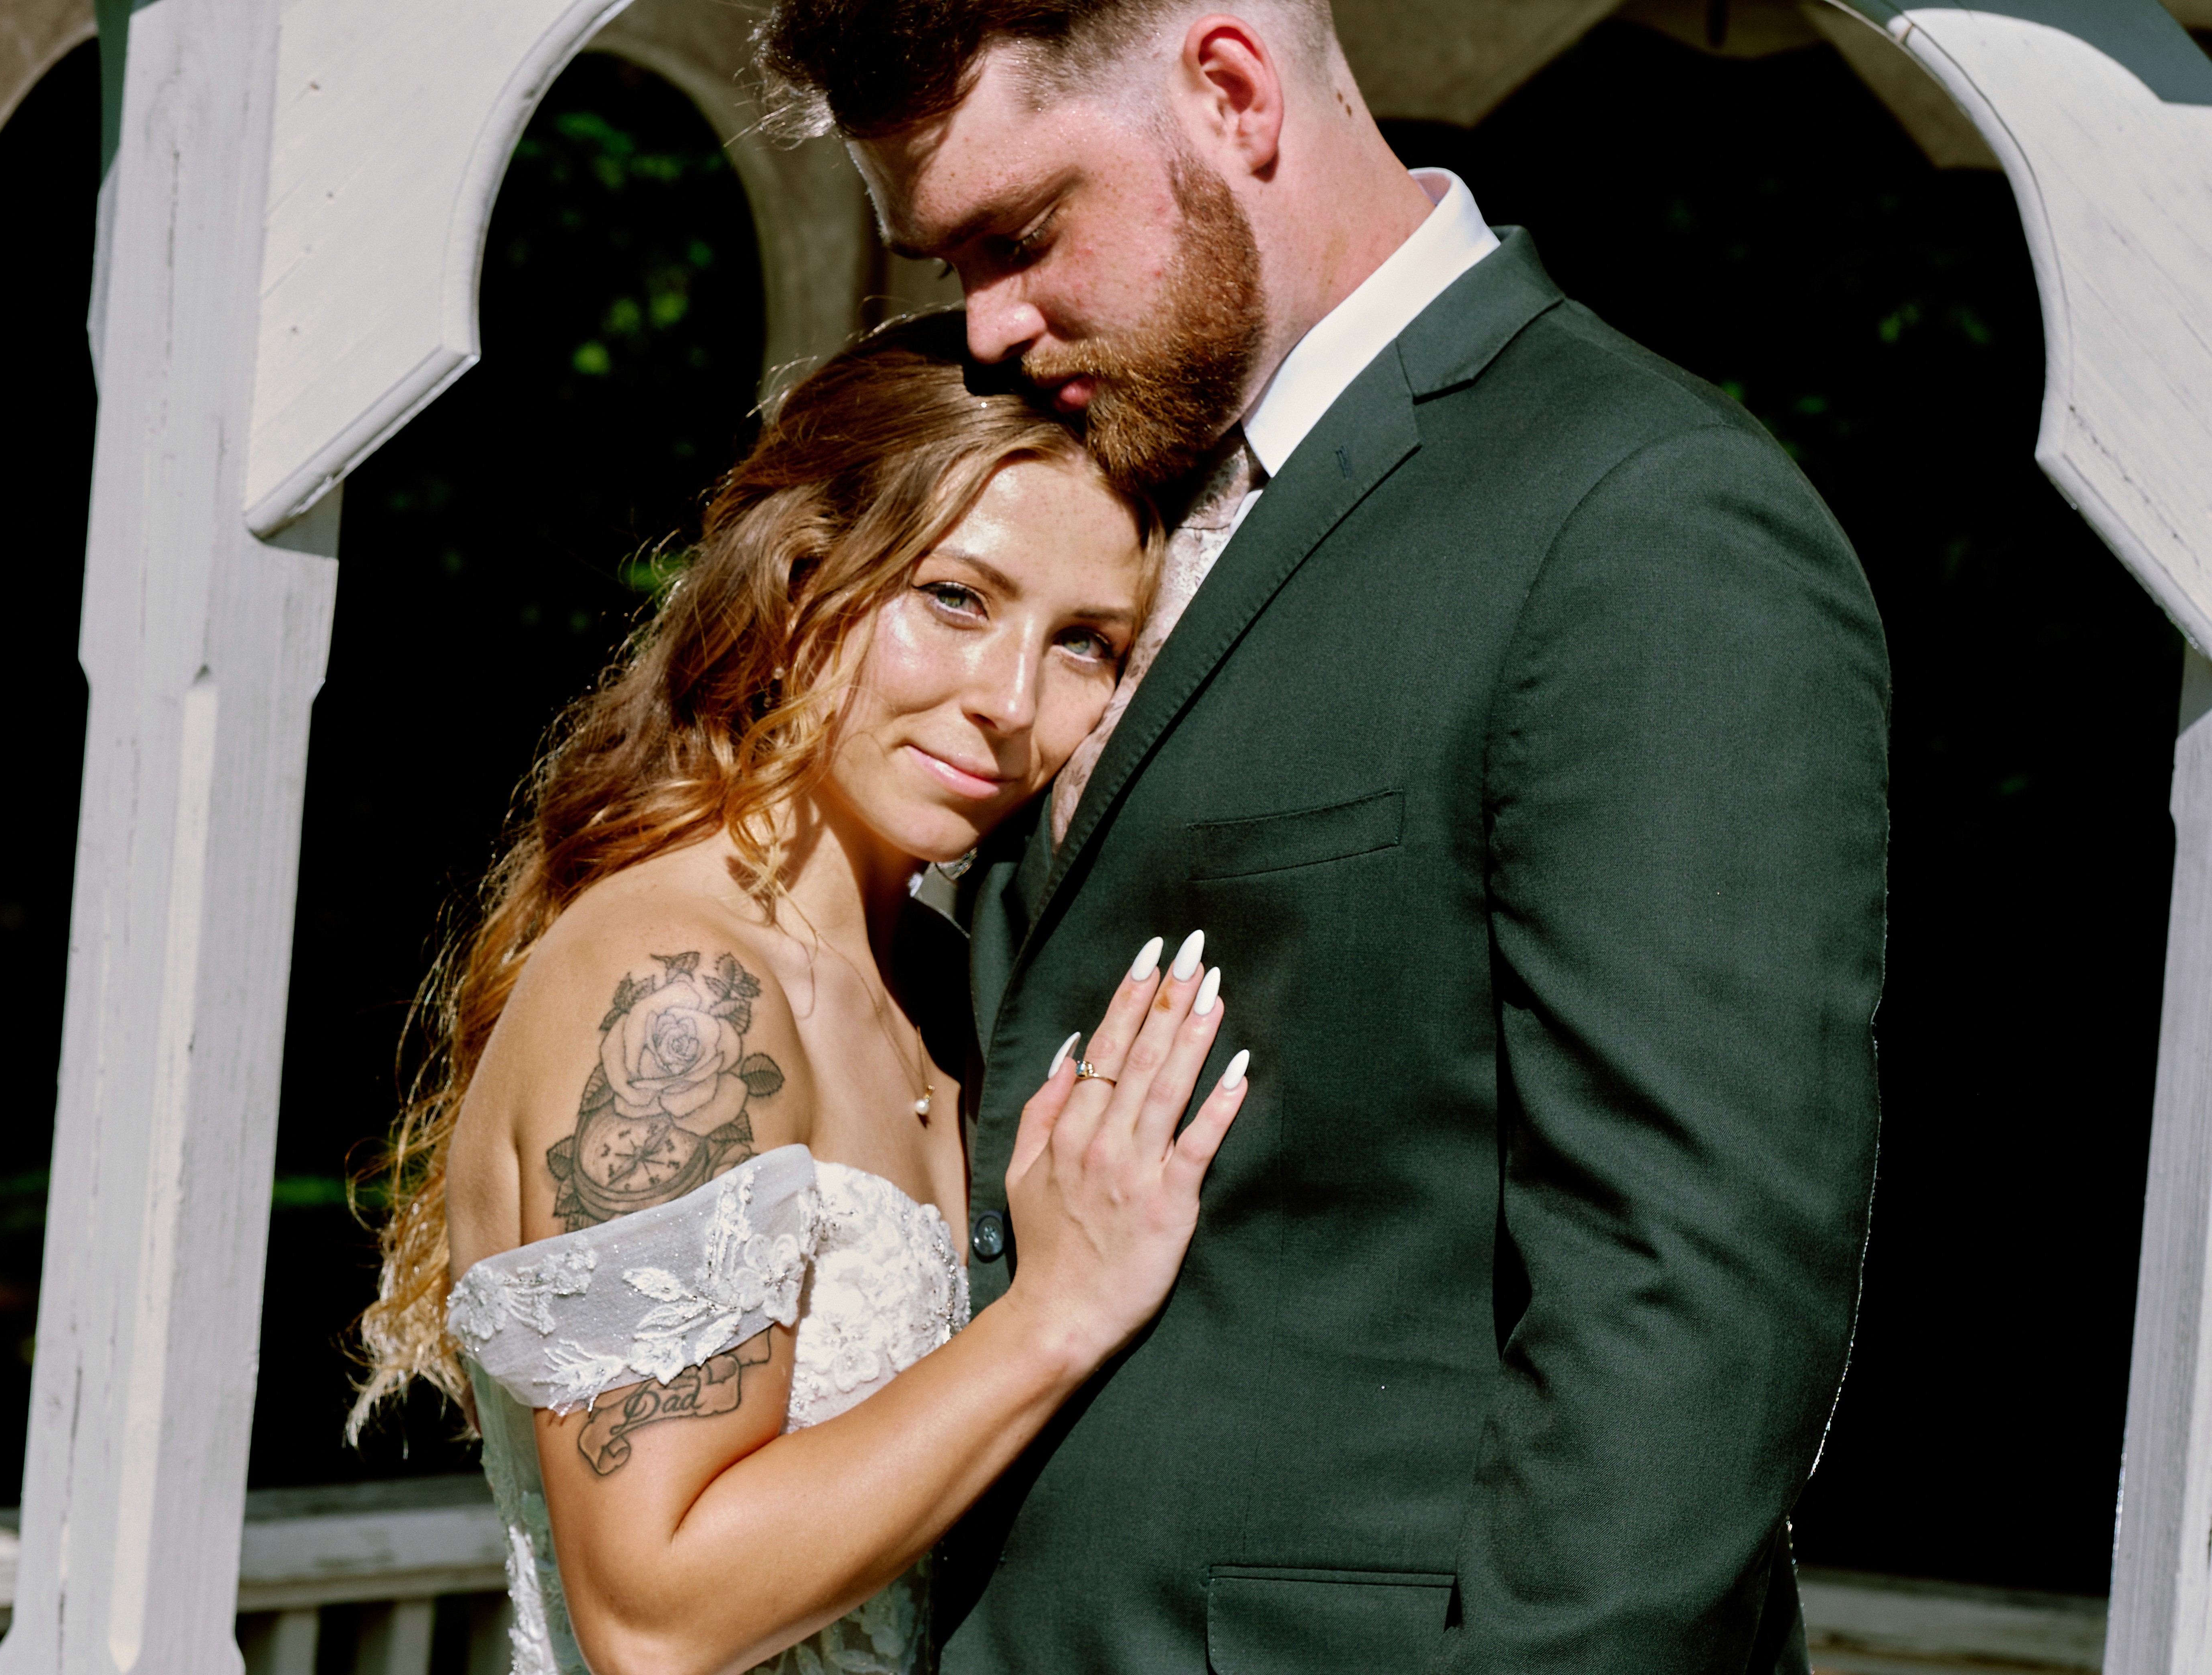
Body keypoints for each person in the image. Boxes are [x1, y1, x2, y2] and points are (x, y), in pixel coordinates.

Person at [753, 2, 1891, 1671]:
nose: (987, 327)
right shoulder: (1091, 496)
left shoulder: (1639, 517)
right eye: (952, 260)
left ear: (1230, 87)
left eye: (1023, 233)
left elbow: (1691, 1319)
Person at [350, 314, 1256, 1675]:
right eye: (955, 599)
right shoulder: (683, 992)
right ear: (797, 584)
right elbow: (654, 1615)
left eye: (1086, 644)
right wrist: (1057, 1317)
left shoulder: (946, 986)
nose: (1009, 700)